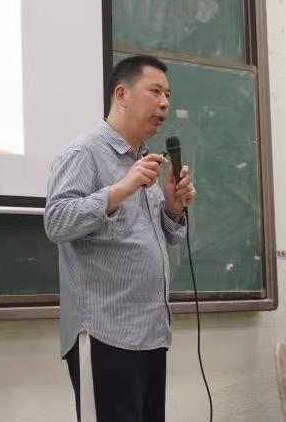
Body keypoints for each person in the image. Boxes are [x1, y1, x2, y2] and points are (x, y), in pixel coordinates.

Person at [43, 55, 197, 422]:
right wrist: (120, 189)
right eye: (155, 92)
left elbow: (161, 237)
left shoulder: (144, 159)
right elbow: (57, 222)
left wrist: (173, 208)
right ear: (122, 94)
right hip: (103, 335)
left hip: (150, 334)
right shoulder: (83, 153)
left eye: (168, 95)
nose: (165, 103)